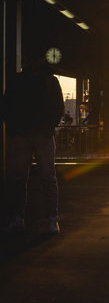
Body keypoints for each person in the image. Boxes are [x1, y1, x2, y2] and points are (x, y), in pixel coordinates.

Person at [2, 51, 64, 234]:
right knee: (43, 177)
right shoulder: (50, 81)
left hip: (27, 134)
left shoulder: (17, 80)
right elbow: (57, 106)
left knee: (24, 178)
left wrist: (13, 129)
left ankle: (20, 218)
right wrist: (48, 127)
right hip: (36, 135)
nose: (33, 61)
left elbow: (7, 105)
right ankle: (49, 219)